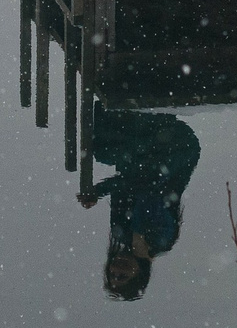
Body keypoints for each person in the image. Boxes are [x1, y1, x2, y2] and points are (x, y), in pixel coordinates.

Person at [78, 110, 201, 301]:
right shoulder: (161, 240)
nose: (116, 270)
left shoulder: (120, 233)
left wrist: (97, 194)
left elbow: (123, 186)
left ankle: (112, 101)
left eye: (112, 275)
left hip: (143, 163)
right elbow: (148, 191)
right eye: (123, 277)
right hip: (177, 151)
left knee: (102, 150)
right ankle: (144, 109)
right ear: (139, 274)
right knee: (135, 150)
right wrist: (139, 235)